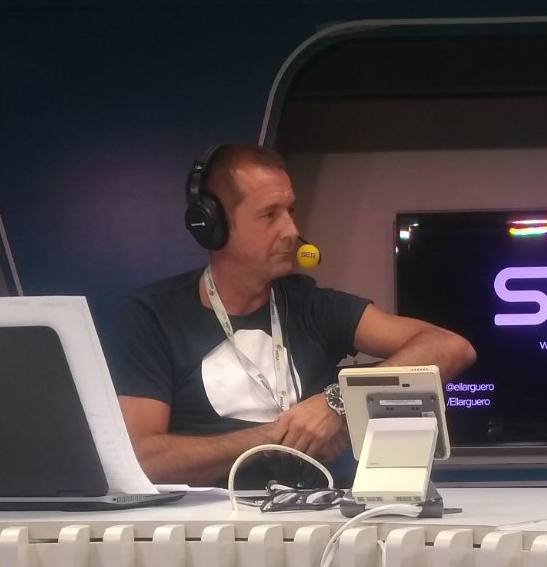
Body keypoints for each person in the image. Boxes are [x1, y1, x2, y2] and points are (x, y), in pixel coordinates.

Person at [104, 143, 475, 486]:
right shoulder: (153, 316)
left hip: (316, 522)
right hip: (205, 528)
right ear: (212, 224)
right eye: (270, 215)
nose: (292, 231)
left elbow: (450, 347)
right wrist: (277, 436)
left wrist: (338, 402)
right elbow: (143, 459)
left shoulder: (309, 304)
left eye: (290, 211)